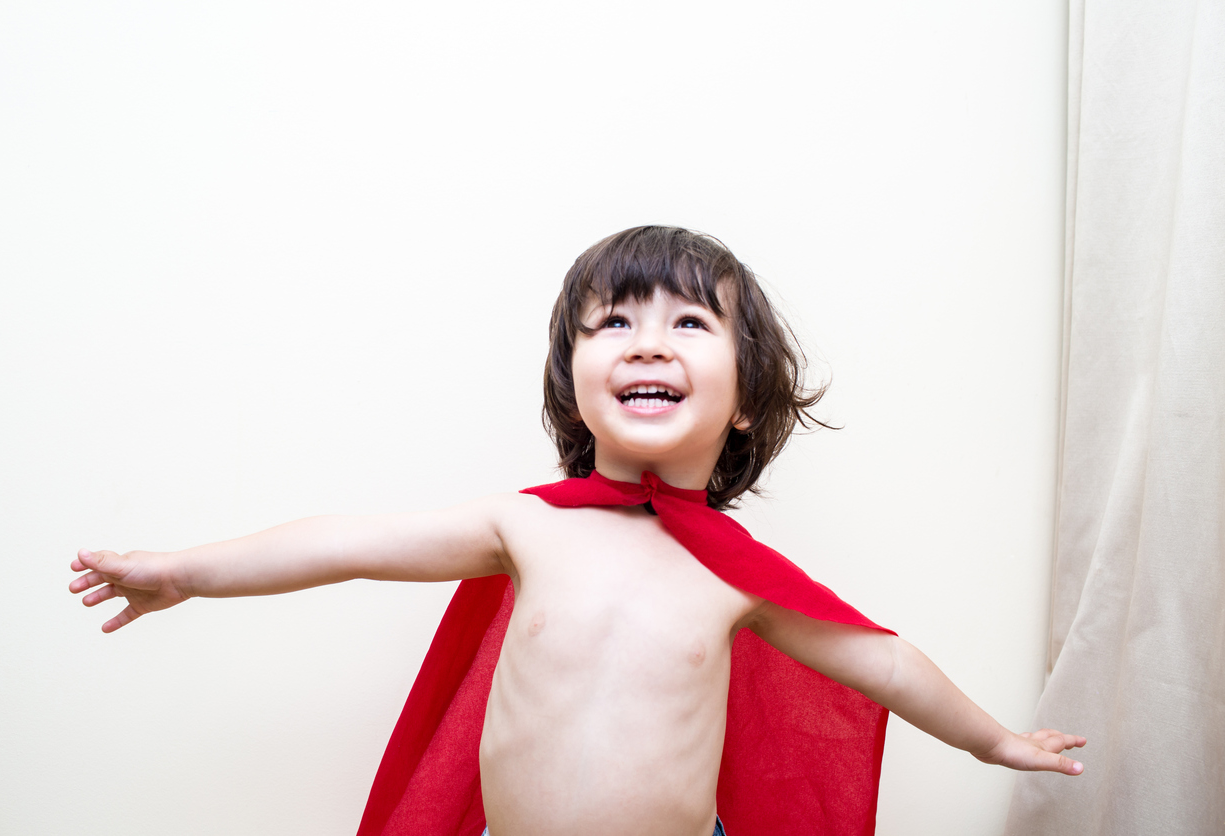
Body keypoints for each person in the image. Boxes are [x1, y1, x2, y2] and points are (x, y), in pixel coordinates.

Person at [69, 226, 1085, 836]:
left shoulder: (736, 574)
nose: (649, 339)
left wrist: (996, 739)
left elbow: (887, 664)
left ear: (744, 400)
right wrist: (188, 569)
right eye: (615, 322)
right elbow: (348, 543)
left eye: (690, 323)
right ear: (575, 384)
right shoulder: (525, 527)